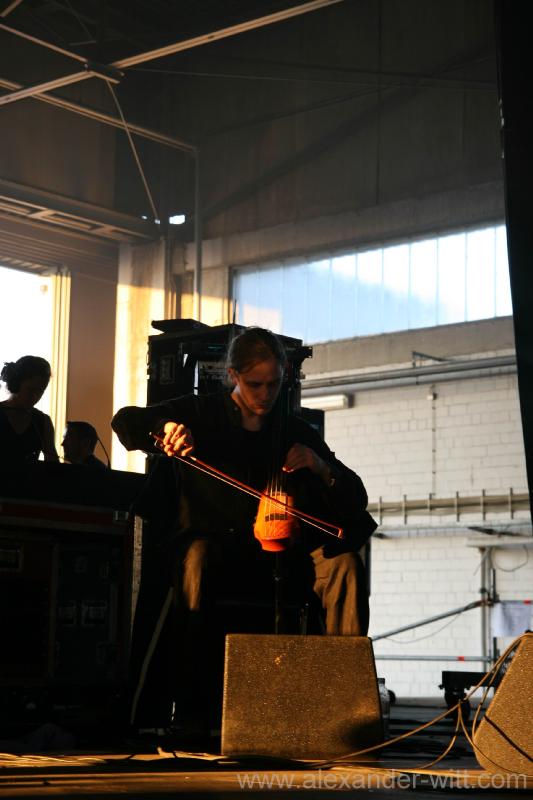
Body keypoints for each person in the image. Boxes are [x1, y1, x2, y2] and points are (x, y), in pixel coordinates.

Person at [112, 327, 377, 737]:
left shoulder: (295, 431)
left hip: (282, 557)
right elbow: (126, 421)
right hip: (220, 553)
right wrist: (165, 429)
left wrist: (321, 467)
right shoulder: (200, 413)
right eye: (255, 384)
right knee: (196, 558)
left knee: (344, 566)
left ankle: (340, 710)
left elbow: (355, 496)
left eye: (274, 384)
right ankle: (192, 709)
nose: (266, 394)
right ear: (233, 375)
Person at [0, 355, 58, 465]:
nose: (35, 396)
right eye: (30, 390)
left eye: (41, 391)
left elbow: (53, 465)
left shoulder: (43, 421)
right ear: (15, 384)